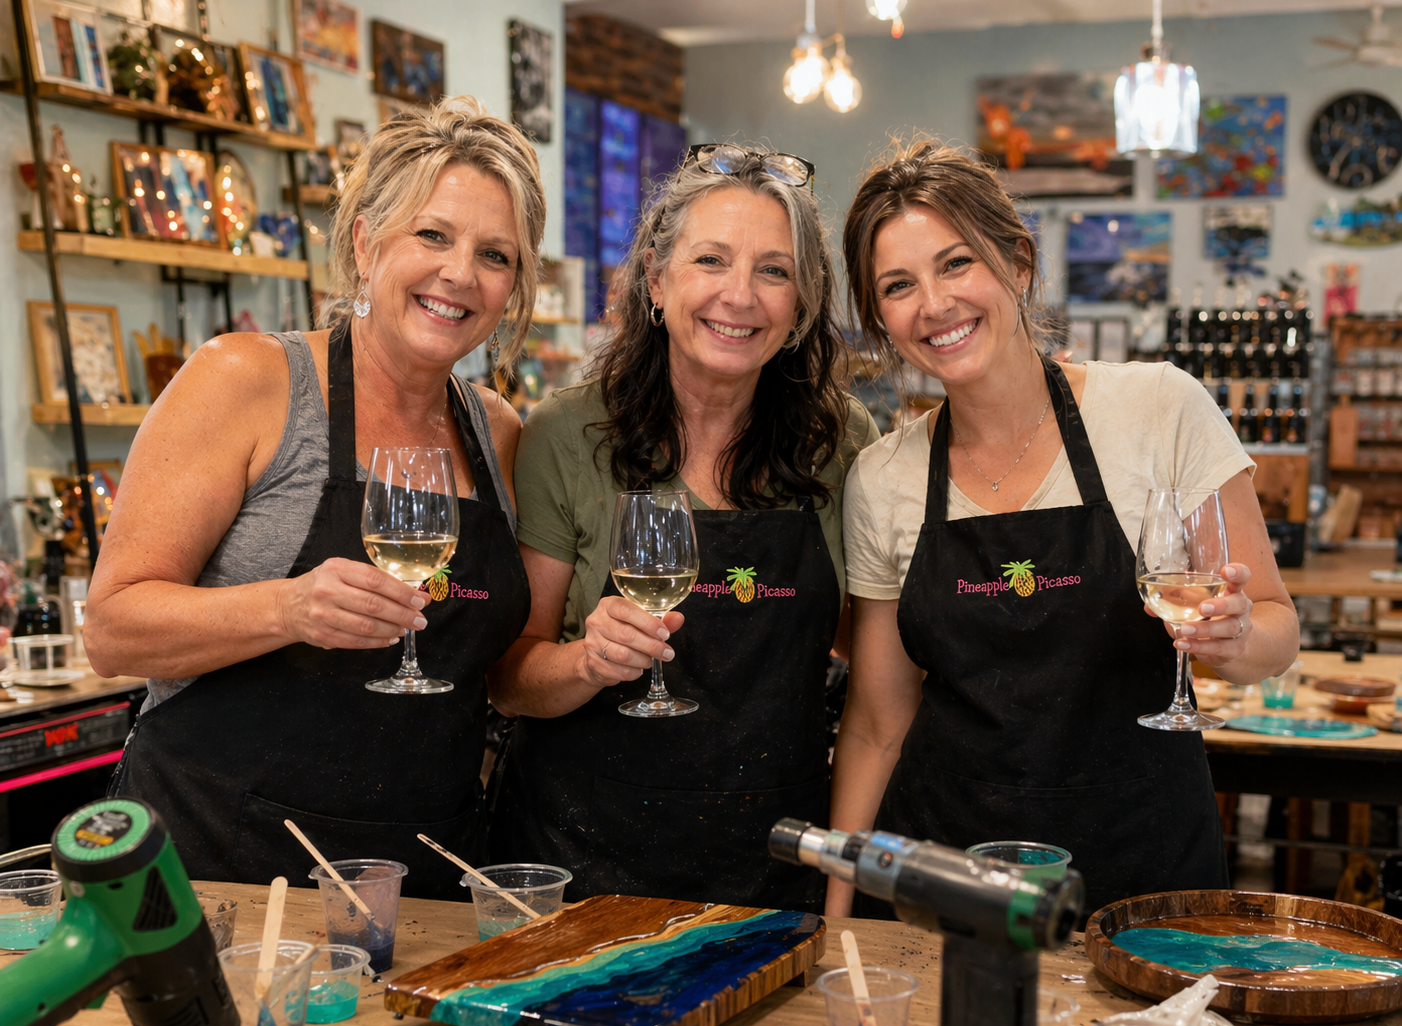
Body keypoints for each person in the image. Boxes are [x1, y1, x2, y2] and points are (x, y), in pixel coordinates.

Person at [84, 97, 541, 897]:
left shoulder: (498, 432)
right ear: (366, 243)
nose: (459, 274)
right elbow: (113, 629)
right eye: (431, 235)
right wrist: (287, 610)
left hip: (419, 876)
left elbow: (496, 668)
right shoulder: (248, 381)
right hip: (215, 869)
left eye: (494, 255)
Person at [830, 142, 1300, 918]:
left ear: (1018, 263)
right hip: (949, 878)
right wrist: (839, 912)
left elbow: (1276, 634)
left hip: (1142, 865)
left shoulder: (1158, 409)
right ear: (880, 316)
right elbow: (879, 723)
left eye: (956, 264)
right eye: (898, 286)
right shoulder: (884, 477)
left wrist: (1234, 638)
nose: (934, 305)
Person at [487, 144, 878, 910]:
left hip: (773, 861)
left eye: (775, 270)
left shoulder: (844, 444)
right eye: (711, 260)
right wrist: (587, 663)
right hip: (580, 863)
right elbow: (509, 680)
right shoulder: (569, 433)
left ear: (801, 307)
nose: (740, 295)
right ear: (657, 282)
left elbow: (867, 651)